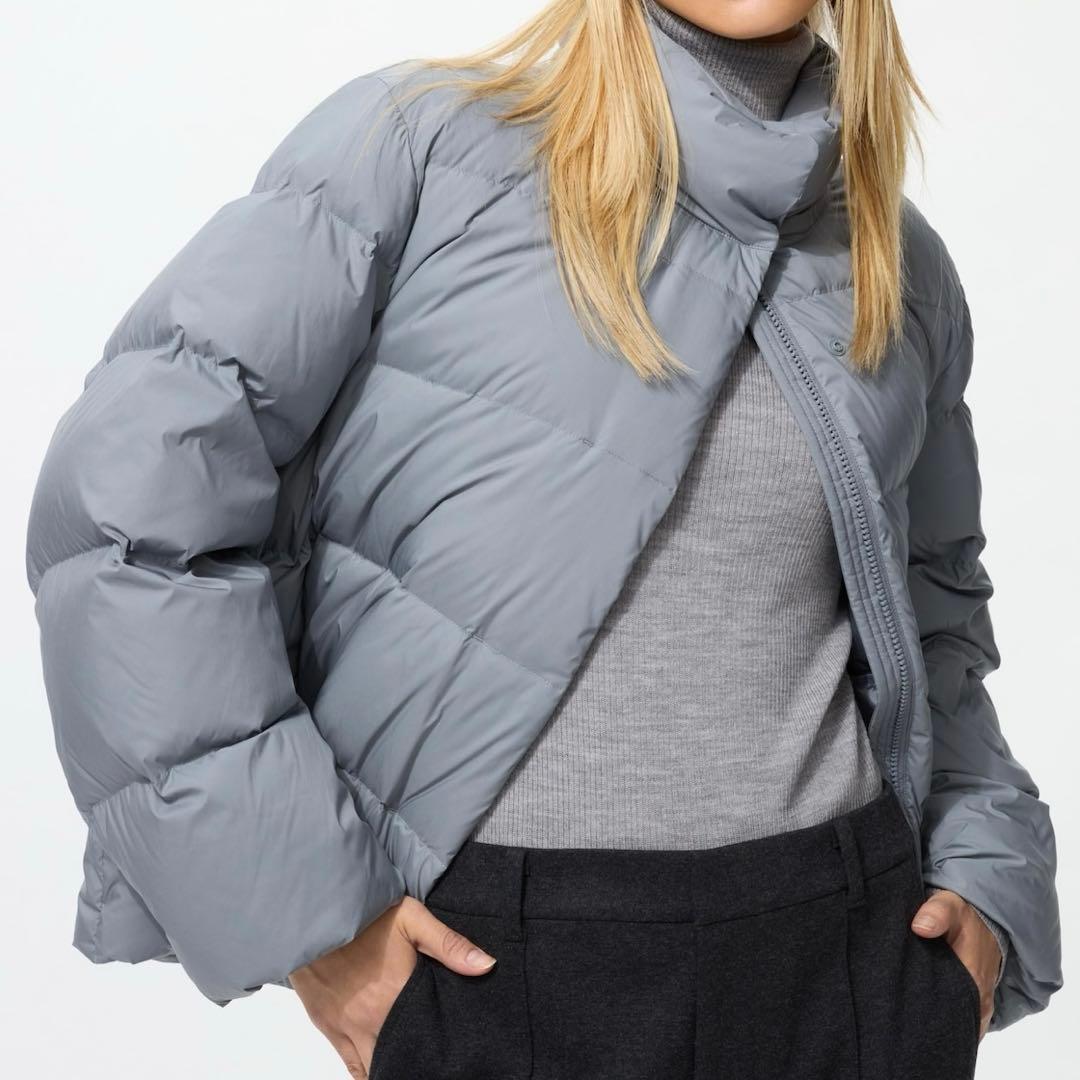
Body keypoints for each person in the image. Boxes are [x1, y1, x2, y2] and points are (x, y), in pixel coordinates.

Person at [25, 1, 1062, 1077]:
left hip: (851, 957)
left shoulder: (894, 257)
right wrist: (307, 910)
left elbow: (938, 615)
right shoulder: (422, 154)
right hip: (498, 967)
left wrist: (988, 877)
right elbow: (126, 520)